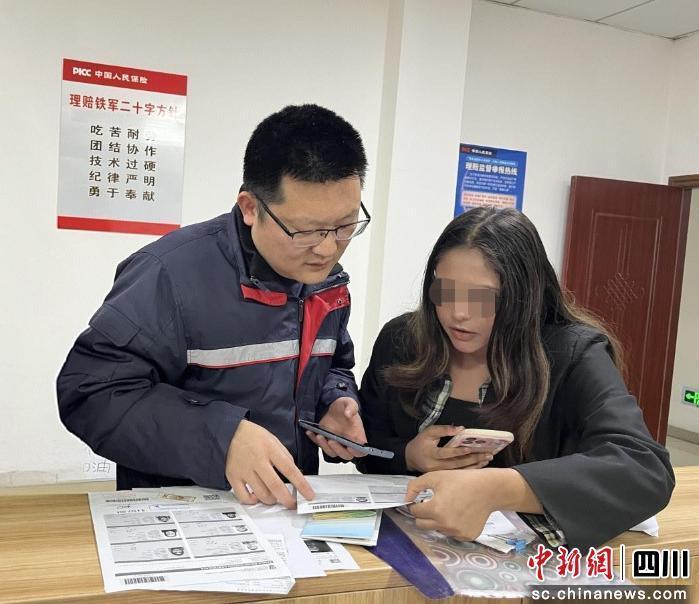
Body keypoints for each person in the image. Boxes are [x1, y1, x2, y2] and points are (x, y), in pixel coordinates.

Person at [57, 104, 371, 508]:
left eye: (345, 225)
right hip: (183, 512)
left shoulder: (325, 280)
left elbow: (333, 365)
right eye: (306, 231)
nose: (328, 249)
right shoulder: (169, 274)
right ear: (251, 207)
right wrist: (222, 439)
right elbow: (91, 393)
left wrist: (334, 399)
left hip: (283, 510)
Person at [358, 207, 674, 551]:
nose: (458, 312)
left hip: (529, 563)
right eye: (444, 291)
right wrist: (408, 455)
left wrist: (498, 488)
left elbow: (645, 470)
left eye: (483, 298)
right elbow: (365, 449)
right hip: (407, 548)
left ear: (525, 297)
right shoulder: (402, 340)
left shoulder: (572, 354)